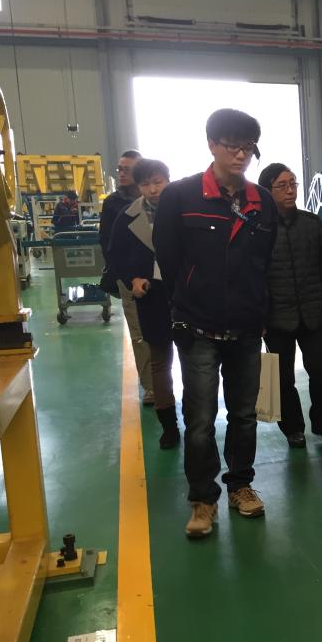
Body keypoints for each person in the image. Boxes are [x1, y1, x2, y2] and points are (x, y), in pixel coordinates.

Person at [154, 109, 278, 539]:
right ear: (211, 144)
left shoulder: (262, 202)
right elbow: (169, 259)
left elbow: (266, 264)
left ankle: (240, 485)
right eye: (232, 146)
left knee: (244, 415)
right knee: (201, 418)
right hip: (198, 328)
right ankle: (203, 498)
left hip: (246, 328)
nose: (241, 155)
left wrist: (260, 312)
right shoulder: (181, 196)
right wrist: (190, 300)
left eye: (248, 148)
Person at [258, 162, 322, 449]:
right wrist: (261, 312)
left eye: (293, 183)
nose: (290, 190)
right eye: (282, 185)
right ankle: (292, 428)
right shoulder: (260, 229)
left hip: (312, 314)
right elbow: (253, 272)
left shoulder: (311, 223)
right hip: (276, 318)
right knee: (282, 378)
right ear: (267, 191)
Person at [107, 159, 179, 449]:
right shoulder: (126, 218)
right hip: (151, 295)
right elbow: (115, 255)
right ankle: (169, 425)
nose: (153, 189)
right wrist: (132, 278)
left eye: (158, 182)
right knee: (160, 362)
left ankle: (199, 418)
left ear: (168, 180)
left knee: (195, 360)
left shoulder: (184, 209)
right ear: (138, 187)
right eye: (146, 184)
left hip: (187, 294)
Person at [99, 149, 153, 405]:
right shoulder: (113, 203)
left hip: (161, 276)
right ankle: (151, 386)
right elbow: (108, 245)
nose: (121, 173)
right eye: (119, 168)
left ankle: (164, 379)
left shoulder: (156, 199)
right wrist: (126, 276)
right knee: (139, 332)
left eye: (127, 169)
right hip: (130, 278)